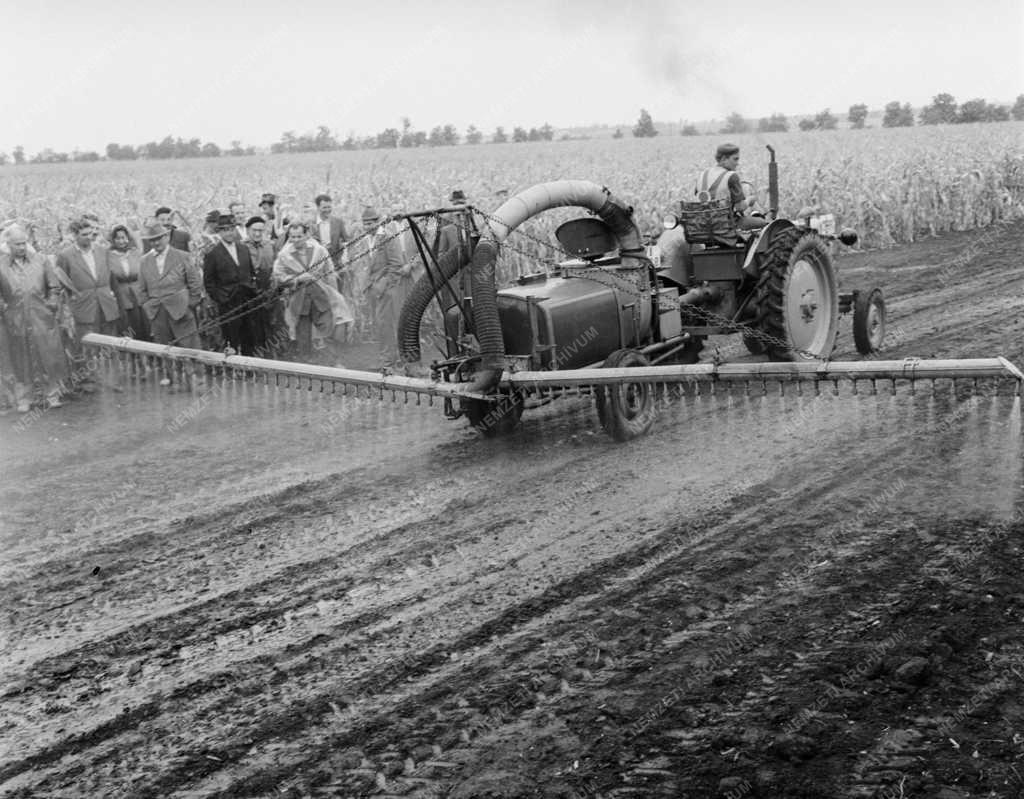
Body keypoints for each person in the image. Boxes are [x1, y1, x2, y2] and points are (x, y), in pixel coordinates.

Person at [0, 225, 69, 411]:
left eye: (24, 243)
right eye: (17, 244)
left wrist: (51, 304)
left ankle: (52, 394)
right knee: (21, 358)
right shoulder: (1, 265)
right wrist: (5, 309)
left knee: (48, 355)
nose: (21, 248)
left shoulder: (41, 260)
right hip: (15, 318)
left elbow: (54, 287)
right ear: (8, 245)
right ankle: (25, 398)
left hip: (41, 316)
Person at [273, 222, 352, 365]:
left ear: (306, 235)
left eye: (299, 236)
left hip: (320, 297)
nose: (296, 240)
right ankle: (306, 365)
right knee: (303, 335)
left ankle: (334, 362)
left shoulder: (319, 251)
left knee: (328, 329)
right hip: (299, 301)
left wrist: (333, 294)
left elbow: (330, 273)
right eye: (292, 237)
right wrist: (297, 279)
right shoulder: (284, 255)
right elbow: (278, 276)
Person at [137, 224, 203, 387]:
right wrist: (148, 306)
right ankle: (174, 380)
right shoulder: (145, 260)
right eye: (151, 240)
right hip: (157, 311)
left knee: (189, 345)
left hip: (181, 310)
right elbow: (141, 289)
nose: (155, 243)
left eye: (159, 238)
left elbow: (195, 284)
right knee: (165, 347)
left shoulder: (182, 256)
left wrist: (189, 306)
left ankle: (196, 379)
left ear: (167, 237)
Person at [55, 217, 121, 379]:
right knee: (86, 344)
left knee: (110, 343)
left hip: (106, 303)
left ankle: (112, 379)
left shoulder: (102, 251)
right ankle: (88, 380)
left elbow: (112, 277)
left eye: (91, 234)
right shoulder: (66, 256)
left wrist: (111, 294)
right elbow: (61, 280)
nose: (89, 237)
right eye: (84, 235)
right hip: (83, 305)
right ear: (75, 236)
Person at [362, 206, 413, 369]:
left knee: (388, 325)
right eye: (364, 223)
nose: (367, 227)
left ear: (378, 222)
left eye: (370, 223)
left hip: (388, 290)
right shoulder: (367, 239)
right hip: (374, 289)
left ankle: (389, 361)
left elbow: (396, 265)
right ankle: (388, 358)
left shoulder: (388, 237)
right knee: (379, 324)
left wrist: (383, 286)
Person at [203, 213, 259, 355]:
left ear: (235, 229)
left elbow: (251, 273)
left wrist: (252, 290)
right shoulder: (213, 254)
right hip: (228, 303)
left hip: (246, 300)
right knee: (231, 338)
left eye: (231, 229)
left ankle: (249, 366)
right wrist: (222, 298)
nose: (229, 233)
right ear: (219, 232)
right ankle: (233, 370)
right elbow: (209, 283)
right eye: (225, 230)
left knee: (249, 336)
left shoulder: (243, 249)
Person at [694, 143, 765, 231]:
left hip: (702, 223)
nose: (737, 163)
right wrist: (750, 199)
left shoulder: (703, 174)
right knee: (763, 223)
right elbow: (740, 207)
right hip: (725, 224)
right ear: (724, 159)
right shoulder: (731, 176)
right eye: (735, 159)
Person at [106, 225, 150, 341]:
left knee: (143, 322)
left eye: (124, 238)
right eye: (118, 238)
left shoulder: (134, 252)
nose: (121, 241)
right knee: (128, 325)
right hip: (121, 294)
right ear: (113, 240)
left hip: (138, 293)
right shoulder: (109, 255)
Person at [242, 216, 277, 355]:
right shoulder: (241, 247)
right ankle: (252, 355)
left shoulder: (269, 245)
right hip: (249, 291)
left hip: (267, 289)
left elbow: (275, 266)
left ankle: (269, 352)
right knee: (251, 324)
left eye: (260, 231)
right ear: (247, 230)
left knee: (268, 322)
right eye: (254, 230)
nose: (257, 234)